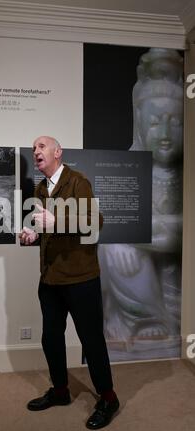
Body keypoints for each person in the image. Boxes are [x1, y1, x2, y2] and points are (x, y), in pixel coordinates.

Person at [19, 136, 119, 430]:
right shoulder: (40, 188)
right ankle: (61, 391)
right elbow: (45, 228)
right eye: (33, 148)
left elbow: (94, 221)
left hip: (81, 279)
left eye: (41, 146)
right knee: (50, 337)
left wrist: (56, 221)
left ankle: (109, 397)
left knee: (91, 340)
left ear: (57, 153)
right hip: (50, 279)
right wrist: (33, 235)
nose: (35, 151)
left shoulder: (78, 181)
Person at [99, 48, 183, 356]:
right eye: (153, 123)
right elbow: (112, 222)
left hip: (178, 272)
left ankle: (162, 318)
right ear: (139, 124)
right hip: (141, 273)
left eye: (175, 123)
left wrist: (159, 230)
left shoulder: (189, 173)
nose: (163, 134)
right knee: (113, 245)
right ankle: (141, 319)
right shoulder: (128, 170)